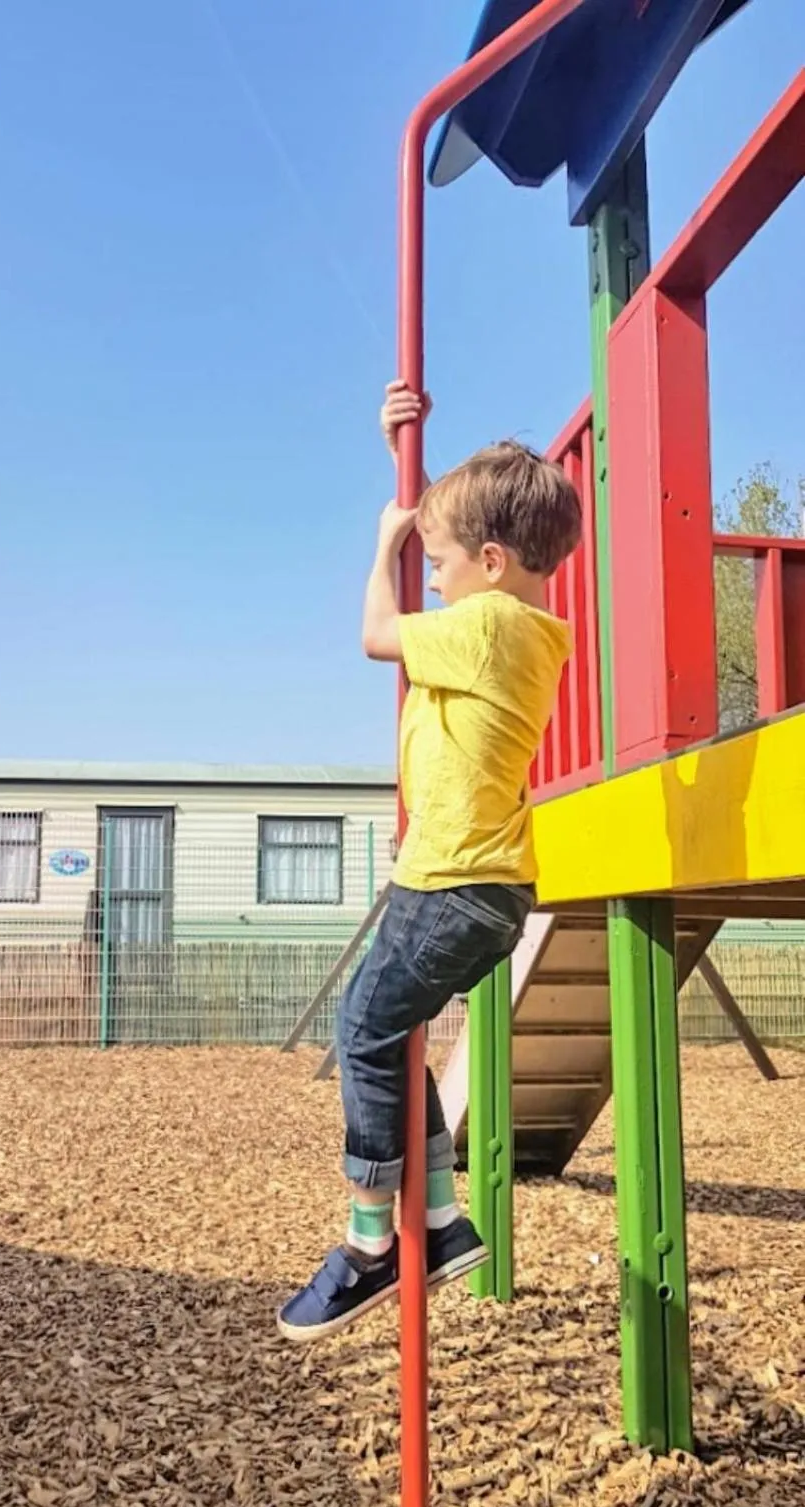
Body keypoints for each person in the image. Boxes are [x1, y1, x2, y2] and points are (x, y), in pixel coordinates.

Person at [277, 382, 581, 1343]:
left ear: (492, 564)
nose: (432, 578)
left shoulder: (488, 627)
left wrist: (383, 544)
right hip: (480, 880)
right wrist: (403, 461)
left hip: (453, 878)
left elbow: (377, 634)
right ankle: (442, 1222)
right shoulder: (517, 623)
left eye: (441, 565)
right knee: (392, 1035)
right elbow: (457, 530)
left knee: (364, 1028)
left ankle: (370, 1242)